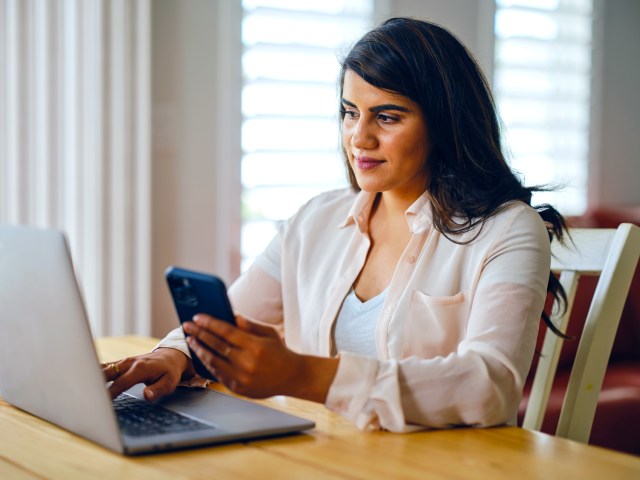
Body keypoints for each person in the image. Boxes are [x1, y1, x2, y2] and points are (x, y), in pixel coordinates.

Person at [104, 17, 568, 432]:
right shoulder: (315, 220)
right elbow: (231, 319)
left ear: (445, 124)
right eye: (350, 112)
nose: (359, 137)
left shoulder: (508, 229)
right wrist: (174, 354)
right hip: (326, 456)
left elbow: (491, 385)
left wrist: (302, 375)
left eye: (387, 116)